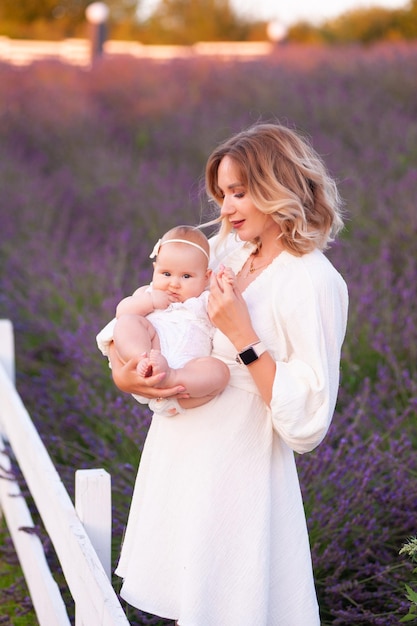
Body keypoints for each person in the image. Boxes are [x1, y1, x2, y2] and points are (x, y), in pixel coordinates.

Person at [101, 121, 349, 625]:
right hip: (180, 448)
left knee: (231, 604)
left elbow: (307, 422)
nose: (226, 209)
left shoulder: (312, 281)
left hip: (238, 467)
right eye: (222, 194)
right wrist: (125, 375)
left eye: (239, 192)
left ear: (278, 186)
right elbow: (151, 318)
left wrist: (243, 338)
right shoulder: (227, 251)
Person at [97, 225, 230, 416]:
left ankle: (170, 377)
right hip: (152, 352)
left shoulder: (205, 300)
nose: (174, 283)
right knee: (127, 322)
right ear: (154, 269)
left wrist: (226, 287)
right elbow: (121, 312)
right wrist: (150, 302)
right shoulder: (147, 293)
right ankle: (141, 361)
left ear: (206, 277)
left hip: (185, 375)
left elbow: (224, 318)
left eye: (186, 276)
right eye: (166, 274)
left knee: (220, 372)